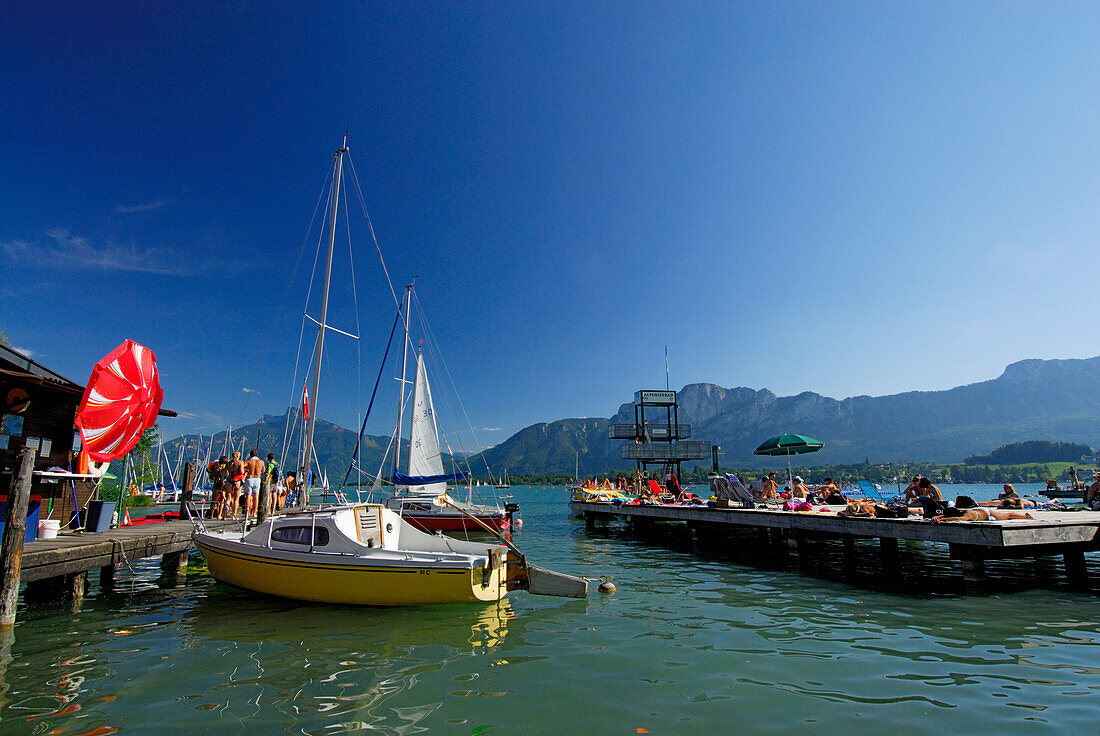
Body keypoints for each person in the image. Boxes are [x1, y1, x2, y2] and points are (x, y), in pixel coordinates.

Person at [932, 508, 1034, 523]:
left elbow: (959, 518)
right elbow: (952, 514)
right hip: (980, 510)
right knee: (1007, 515)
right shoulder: (962, 511)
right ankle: (1025, 516)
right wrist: (938, 517)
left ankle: (1026, 517)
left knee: (1007, 515)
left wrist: (942, 519)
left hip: (987, 513)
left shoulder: (967, 515)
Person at [243, 450, 264, 519]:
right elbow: (263, 471)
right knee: (256, 496)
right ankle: (254, 512)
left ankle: (247, 512)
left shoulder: (249, 462)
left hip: (249, 478)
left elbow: (242, 467)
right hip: (257, 479)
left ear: (250, 455)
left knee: (248, 496)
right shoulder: (261, 462)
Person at [226, 451, 245, 519]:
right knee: (236, 499)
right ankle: (234, 515)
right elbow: (241, 471)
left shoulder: (228, 463)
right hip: (237, 481)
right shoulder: (240, 462)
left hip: (229, 481)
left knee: (228, 498)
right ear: (238, 456)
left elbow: (226, 473)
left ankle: (224, 514)